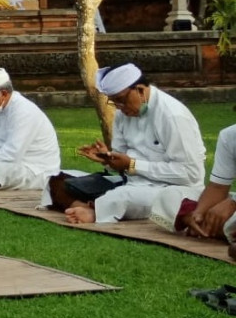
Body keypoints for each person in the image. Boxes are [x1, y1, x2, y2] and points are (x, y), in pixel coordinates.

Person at [62, 64, 205, 224]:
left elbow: (190, 174)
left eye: (121, 100)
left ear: (140, 90)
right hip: (132, 183)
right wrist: (108, 159)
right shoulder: (122, 114)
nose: (119, 107)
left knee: (122, 198)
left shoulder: (172, 116)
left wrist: (133, 165)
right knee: (60, 181)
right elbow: (122, 160)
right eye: (114, 102)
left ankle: (95, 210)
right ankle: (94, 206)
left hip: (171, 189)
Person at [157, 124, 236, 257]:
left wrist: (234, 202)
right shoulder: (229, 136)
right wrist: (198, 213)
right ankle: (203, 224)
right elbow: (218, 187)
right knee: (169, 195)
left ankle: (220, 227)